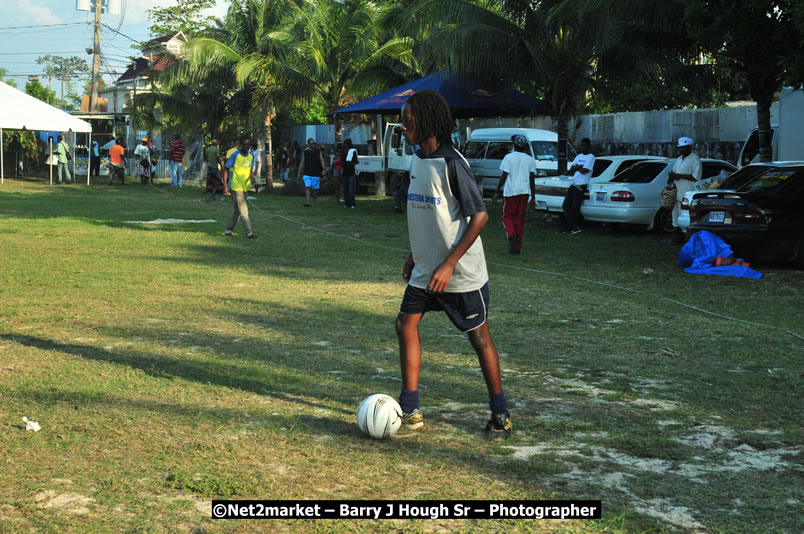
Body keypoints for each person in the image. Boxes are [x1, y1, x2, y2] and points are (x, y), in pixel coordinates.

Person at [395, 89, 512, 441]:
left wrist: (448, 264)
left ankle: (501, 414)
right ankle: (410, 410)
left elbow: (479, 217)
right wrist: (416, 253)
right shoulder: (417, 160)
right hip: (425, 269)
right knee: (404, 324)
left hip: (459, 273)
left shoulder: (453, 163)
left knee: (479, 339)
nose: (403, 127)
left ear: (428, 123)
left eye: (408, 121)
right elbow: (428, 214)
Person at [493, 134, 537, 254]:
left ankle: (513, 236)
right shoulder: (530, 159)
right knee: (519, 218)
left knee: (507, 217)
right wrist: (533, 196)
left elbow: (504, 175)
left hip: (511, 192)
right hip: (525, 192)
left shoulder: (509, 157)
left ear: (514, 144)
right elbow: (532, 179)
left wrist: (497, 191)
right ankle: (517, 248)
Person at [668, 136, 702, 243]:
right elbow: (674, 172)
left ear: (690, 147)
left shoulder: (695, 159)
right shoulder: (679, 159)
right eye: (681, 148)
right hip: (677, 192)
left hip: (688, 193)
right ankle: (678, 237)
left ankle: (688, 238)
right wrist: (672, 177)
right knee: (676, 215)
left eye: (685, 147)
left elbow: (696, 176)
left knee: (687, 216)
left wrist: (679, 176)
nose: (682, 150)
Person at [223, 136, 257, 239]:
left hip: (245, 186)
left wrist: (253, 177)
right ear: (240, 145)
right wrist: (225, 185)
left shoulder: (251, 155)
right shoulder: (235, 155)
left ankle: (228, 230)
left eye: (248, 145)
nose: (246, 147)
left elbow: (250, 169)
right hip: (236, 185)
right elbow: (226, 168)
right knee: (243, 210)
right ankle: (249, 232)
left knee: (237, 210)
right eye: (244, 144)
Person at [561, 137, 595, 234]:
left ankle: (575, 227)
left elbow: (585, 171)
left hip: (581, 186)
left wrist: (578, 167)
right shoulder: (579, 156)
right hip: (574, 184)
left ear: (588, 146)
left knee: (576, 208)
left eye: (584, 146)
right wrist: (579, 167)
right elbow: (571, 168)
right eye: (581, 145)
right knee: (566, 205)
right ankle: (570, 226)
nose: (582, 147)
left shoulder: (591, 157)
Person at [297, 137, 326, 207]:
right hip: (307, 173)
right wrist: (299, 172)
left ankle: (314, 200)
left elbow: (322, 160)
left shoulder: (318, 151)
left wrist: (324, 169)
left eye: (314, 143)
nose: (313, 145)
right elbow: (302, 162)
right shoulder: (305, 152)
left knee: (315, 189)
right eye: (311, 144)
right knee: (308, 187)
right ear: (308, 144)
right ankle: (307, 201)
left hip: (316, 173)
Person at [342, 138, 359, 208]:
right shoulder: (343, 152)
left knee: (351, 190)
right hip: (345, 172)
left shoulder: (352, 151)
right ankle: (347, 203)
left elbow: (356, 161)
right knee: (345, 189)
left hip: (351, 173)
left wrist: (351, 164)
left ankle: (352, 203)